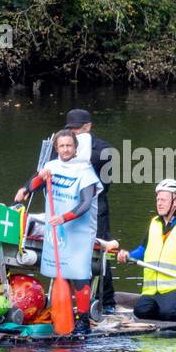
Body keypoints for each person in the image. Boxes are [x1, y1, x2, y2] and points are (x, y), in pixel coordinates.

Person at [14, 129, 102, 335]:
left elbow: (86, 204)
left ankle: (82, 321)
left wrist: (64, 217)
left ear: (75, 148)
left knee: (79, 275)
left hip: (79, 231)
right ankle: (60, 317)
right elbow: (36, 181)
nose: (65, 150)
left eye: (69, 146)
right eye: (61, 146)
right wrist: (26, 189)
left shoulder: (85, 171)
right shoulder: (51, 166)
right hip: (56, 231)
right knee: (59, 272)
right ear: (56, 148)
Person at [102, 179, 176, 323]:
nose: (159, 203)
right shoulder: (154, 223)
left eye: (163, 200)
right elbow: (143, 250)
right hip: (153, 291)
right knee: (141, 312)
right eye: (158, 199)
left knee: (172, 314)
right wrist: (128, 255)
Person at [65, 108, 118, 312]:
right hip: (70, 207)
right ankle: (74, 297)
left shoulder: (102, 148)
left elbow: (104, 157)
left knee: (100, 252)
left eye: (77, 129)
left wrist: (76, 152)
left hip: (97, 208)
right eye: (70, 129)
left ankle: (107, 301)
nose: (74, 132)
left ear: (88, 127)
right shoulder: (65, 145)